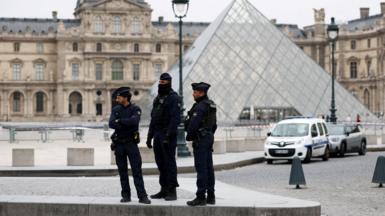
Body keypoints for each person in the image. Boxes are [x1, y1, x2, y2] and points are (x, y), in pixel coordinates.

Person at [109, 87, 151, 204]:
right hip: (119, 144)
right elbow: (111, 123)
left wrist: (120, 121)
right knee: (122, 172)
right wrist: (125, 122)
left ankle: (142, 196)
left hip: (131, 144)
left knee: (137, 170)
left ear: (126, 98)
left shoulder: (135, 108)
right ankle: (126, 195)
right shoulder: (116, 109)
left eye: (119, 97)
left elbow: (134, 122)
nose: (117, 99)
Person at [146, 73, 181, 201]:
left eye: (164, 83)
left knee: (169, 163)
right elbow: (153, 118)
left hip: (168, 134)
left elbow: (175, 119)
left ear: (169, 83)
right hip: (158, 134)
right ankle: (163, 189)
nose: (161, 85)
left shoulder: (174, 98)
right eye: (160, 82)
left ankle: (172, 191)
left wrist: (168, 135)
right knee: (160, 163)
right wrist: (150, 136)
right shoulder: (157, 98)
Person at [184, 82, 217, 206]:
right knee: (209, 168)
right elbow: (214, 125)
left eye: (195, 92)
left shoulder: (200, 107)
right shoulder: (211, 105)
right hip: (208, 137)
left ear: (202, 93)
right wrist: (209, 134)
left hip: (201, 139)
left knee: (201, 168)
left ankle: (200, 196)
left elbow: (193, 125)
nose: (193, 94)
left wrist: (190, 137)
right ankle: (211, 196)